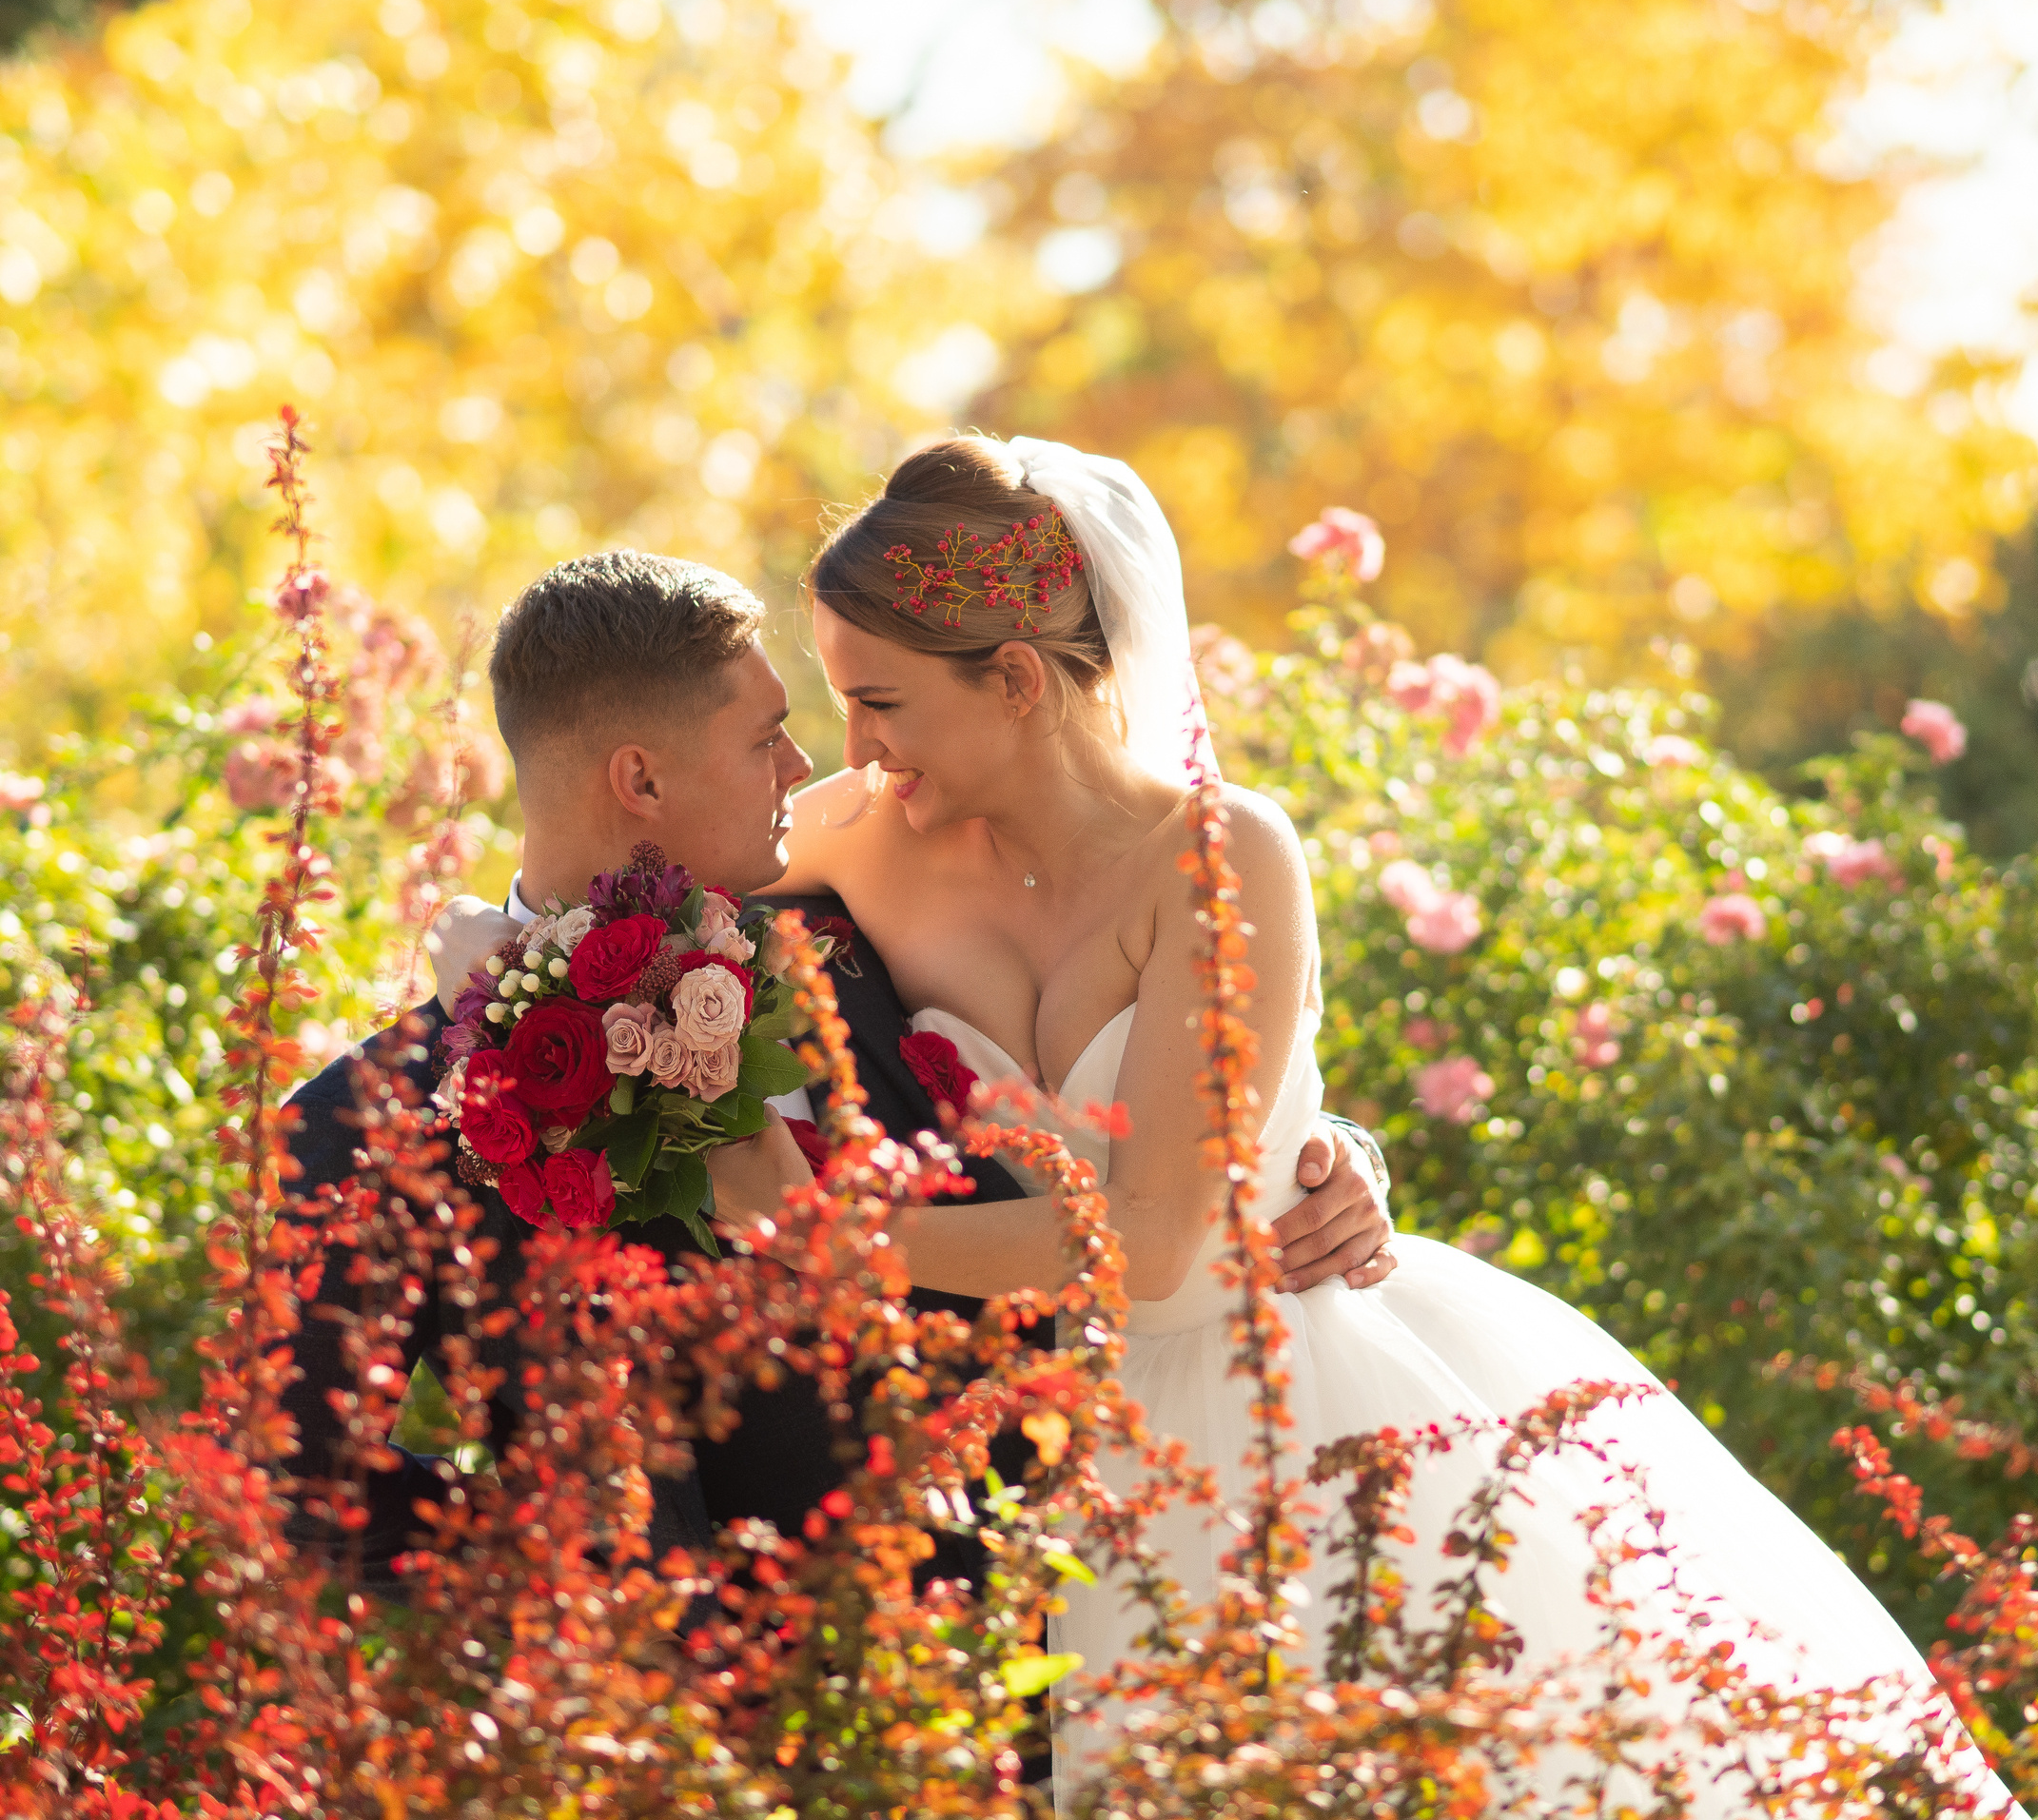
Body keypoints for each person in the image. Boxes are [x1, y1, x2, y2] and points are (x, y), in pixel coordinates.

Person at [686, 436, 2022, 1816]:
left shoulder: (1222, 855)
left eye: (879, 701)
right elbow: (621, 904)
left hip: (1299, 1411)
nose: (849, 749)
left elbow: (1149, 1245)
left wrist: (835, 1238)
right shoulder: (857, 834)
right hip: (1061, 1448)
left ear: (1015, 681)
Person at [283, 549, 1397, 1597]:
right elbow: (303, 1494)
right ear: (641, 780)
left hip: (1057, 1634)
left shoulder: (856, 934)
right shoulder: (374, 1119)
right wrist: (611, 1599)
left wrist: (1313, 1159)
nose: (808, 765)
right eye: (766, 735)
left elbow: (1091, 1089)